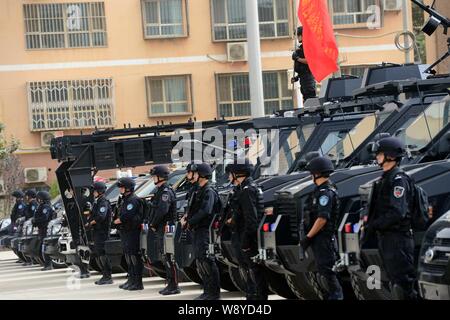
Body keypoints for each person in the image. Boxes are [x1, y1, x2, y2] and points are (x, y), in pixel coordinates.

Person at [365, 137, 417, 300]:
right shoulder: (385, 178)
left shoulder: (398, 180)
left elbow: (397, 212)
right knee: (394, 284)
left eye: (379, 153)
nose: (376, 157)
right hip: (387, 239)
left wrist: (375, 224)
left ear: (390, 156)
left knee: (403, 287)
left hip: (398, 239)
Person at [301, 156, 344, 300]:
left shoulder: (326, 192)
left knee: (328, 276)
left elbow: (322, 219)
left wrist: (308, 237)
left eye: (311, 173)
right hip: (319, 239)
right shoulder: (319, 191)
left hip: (324, 239)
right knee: (323, 276)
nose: (310, 176)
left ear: (317, 173)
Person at [225, 160, 268, 300]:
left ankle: (259, 298)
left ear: (237, 174)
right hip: (245, 233)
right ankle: (253, 296)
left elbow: (251, 219)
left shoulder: (247, 190)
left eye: (230, 174)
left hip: (248, 235)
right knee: (251, 268)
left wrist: (245, 242)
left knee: (254, 269)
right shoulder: (246, 188)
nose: (228, 177)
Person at [182, 163, 221, 300]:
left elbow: (206, 211)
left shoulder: (208, 191)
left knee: (207, 260)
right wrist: (186, 218)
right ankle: (207, 290)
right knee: (200, 261)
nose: (190, 175)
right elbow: (192, 208)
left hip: (205, 230)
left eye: (194, 173)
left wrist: (189, 222)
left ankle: (214, 293)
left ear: (201, 175)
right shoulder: (197, 190)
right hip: (197, 230)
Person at [148, 165, 180, 295]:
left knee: (169, 257)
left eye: (154, 176)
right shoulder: (159, 191)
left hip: (166, 228)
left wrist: (153, 223)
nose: (153, 178)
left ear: (160, 177)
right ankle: (170, 283)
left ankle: (174, 285)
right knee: (165, 256)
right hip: (161, 228)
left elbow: (162, 210)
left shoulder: (165, 192)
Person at [114, 177, 144, 291]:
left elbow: (127, 215)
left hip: (133, 231)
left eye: (121, 187)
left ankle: (137, 282)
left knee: (134, 256)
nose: (120, 189)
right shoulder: (125, 199)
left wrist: (118, 220)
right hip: (126, 231)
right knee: (128, 256)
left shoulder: (133, 200)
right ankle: (131, 279)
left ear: (127, 188)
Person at [85, 181, 113, 285]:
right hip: (97, 231)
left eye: (95, 191)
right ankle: (104, 275)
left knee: (102, 253)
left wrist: (90, 223)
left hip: (102, 231)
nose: (93, 193)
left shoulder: (103, 202)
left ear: (99, 191)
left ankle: (107, 276)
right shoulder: (98, 201)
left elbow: (101, 216)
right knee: (99, 253)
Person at [291, 26, 317, 102]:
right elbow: (303, 68)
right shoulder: (302, 48)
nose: (297, 38)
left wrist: (297, 58)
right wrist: (296, 77)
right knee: (306, 99)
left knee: (310, 100)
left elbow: (309, 61)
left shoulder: (308, 46)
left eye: (298, 35)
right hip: (303, 78)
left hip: (308, 79)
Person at [34, 191, 54, 271]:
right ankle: (46, 264)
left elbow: (44, 218)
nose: (37, 200)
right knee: (41, 248)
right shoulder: (41, 206)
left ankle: (48, 264)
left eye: (39, 198)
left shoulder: (46, 207)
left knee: (44, 247)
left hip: (45, 229)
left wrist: (35, 220)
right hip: (41, 229)